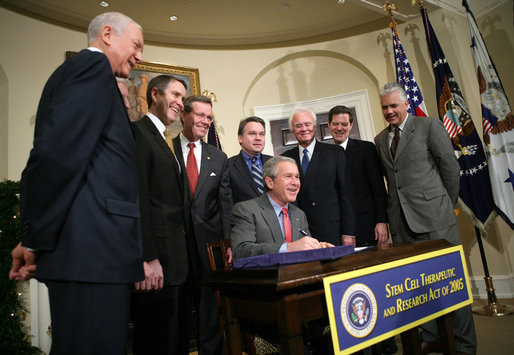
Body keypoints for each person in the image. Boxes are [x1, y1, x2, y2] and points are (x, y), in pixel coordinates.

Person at [9, 12, 144, 354]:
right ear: (108, 35)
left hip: (93, 253)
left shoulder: (90, 75)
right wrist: (33, 237)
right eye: (137, 45)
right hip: (93, 252)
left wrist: (34, 238)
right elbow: (56, 156)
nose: (140, 56)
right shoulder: (91, 67)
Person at [374, 82, 476, 355]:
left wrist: (445, 206)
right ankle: (431, 337)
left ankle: (464, 345)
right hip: (402, 226)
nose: (389, 111)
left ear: (406, 104)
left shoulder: (428, 126)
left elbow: (450, 170)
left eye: (394, 105)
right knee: (416, 287)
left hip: (435, 220)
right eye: (384, 106)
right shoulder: (380, 139)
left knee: (451, 284)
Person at [131, 75, 190, 354]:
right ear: (155, 94)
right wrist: (146, 257)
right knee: (156, 341)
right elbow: (139, 198)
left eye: (182, 98)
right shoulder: (138, 133)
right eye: (175, 95)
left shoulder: (169, 141)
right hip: (156, 264)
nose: (180, 103)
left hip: (177, 262)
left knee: (175, 339)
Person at [172, 95, 232, 355]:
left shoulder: (218, 156)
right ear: (184, 115)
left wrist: (229, 242)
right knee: (177, 311)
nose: (205, 121)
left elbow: (226, 204)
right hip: (175, 246)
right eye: (200, 115)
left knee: (210, 310)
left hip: (210, 247)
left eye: (209, 117)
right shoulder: (166, 148)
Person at [231, 156, 333, 259]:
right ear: (270, 182)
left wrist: (319, 248)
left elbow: (304, 248)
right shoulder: (246, 210)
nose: (295, 182)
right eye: (288, 176)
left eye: (297, 177)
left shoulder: (299, 214)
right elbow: (241, 251)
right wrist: (288, 248)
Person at [281, 107, 355, 246]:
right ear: (292, 130)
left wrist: (348, 232)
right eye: (298, 126)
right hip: (300, 234)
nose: (304, 129)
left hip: (332, 231)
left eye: (307, 124)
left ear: (314, 127)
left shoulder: (335, 153)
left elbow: (346, 195)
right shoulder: (285, 159)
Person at [328, 105, 388, 247]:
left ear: (351, 125)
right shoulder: (325, 155)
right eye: (335, 124)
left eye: (344, 124)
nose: (339, 128)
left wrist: (382, 221)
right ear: (329, 125)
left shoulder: (366, 149)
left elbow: (378, 188)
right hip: (337, 232)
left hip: (367, 228)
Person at [228, 116, 272, 204]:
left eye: (261, 134)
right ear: (240, 138)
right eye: (252, 133)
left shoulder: (275, 162)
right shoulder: (228, 166)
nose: (258, 138)